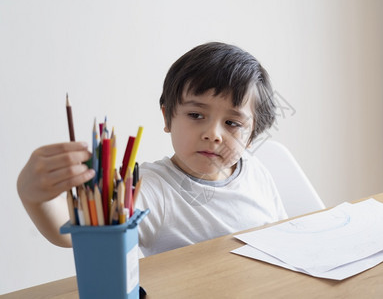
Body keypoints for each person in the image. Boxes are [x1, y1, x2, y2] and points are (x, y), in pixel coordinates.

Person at [17, 42, 288, 256]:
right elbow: (75, 233)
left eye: (232, 123)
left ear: (252, 136)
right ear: (167, 116)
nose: (213, 135)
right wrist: (34, 197)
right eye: (196, 115)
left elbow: (282, 237)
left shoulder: (256, 172)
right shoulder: (149, 188)